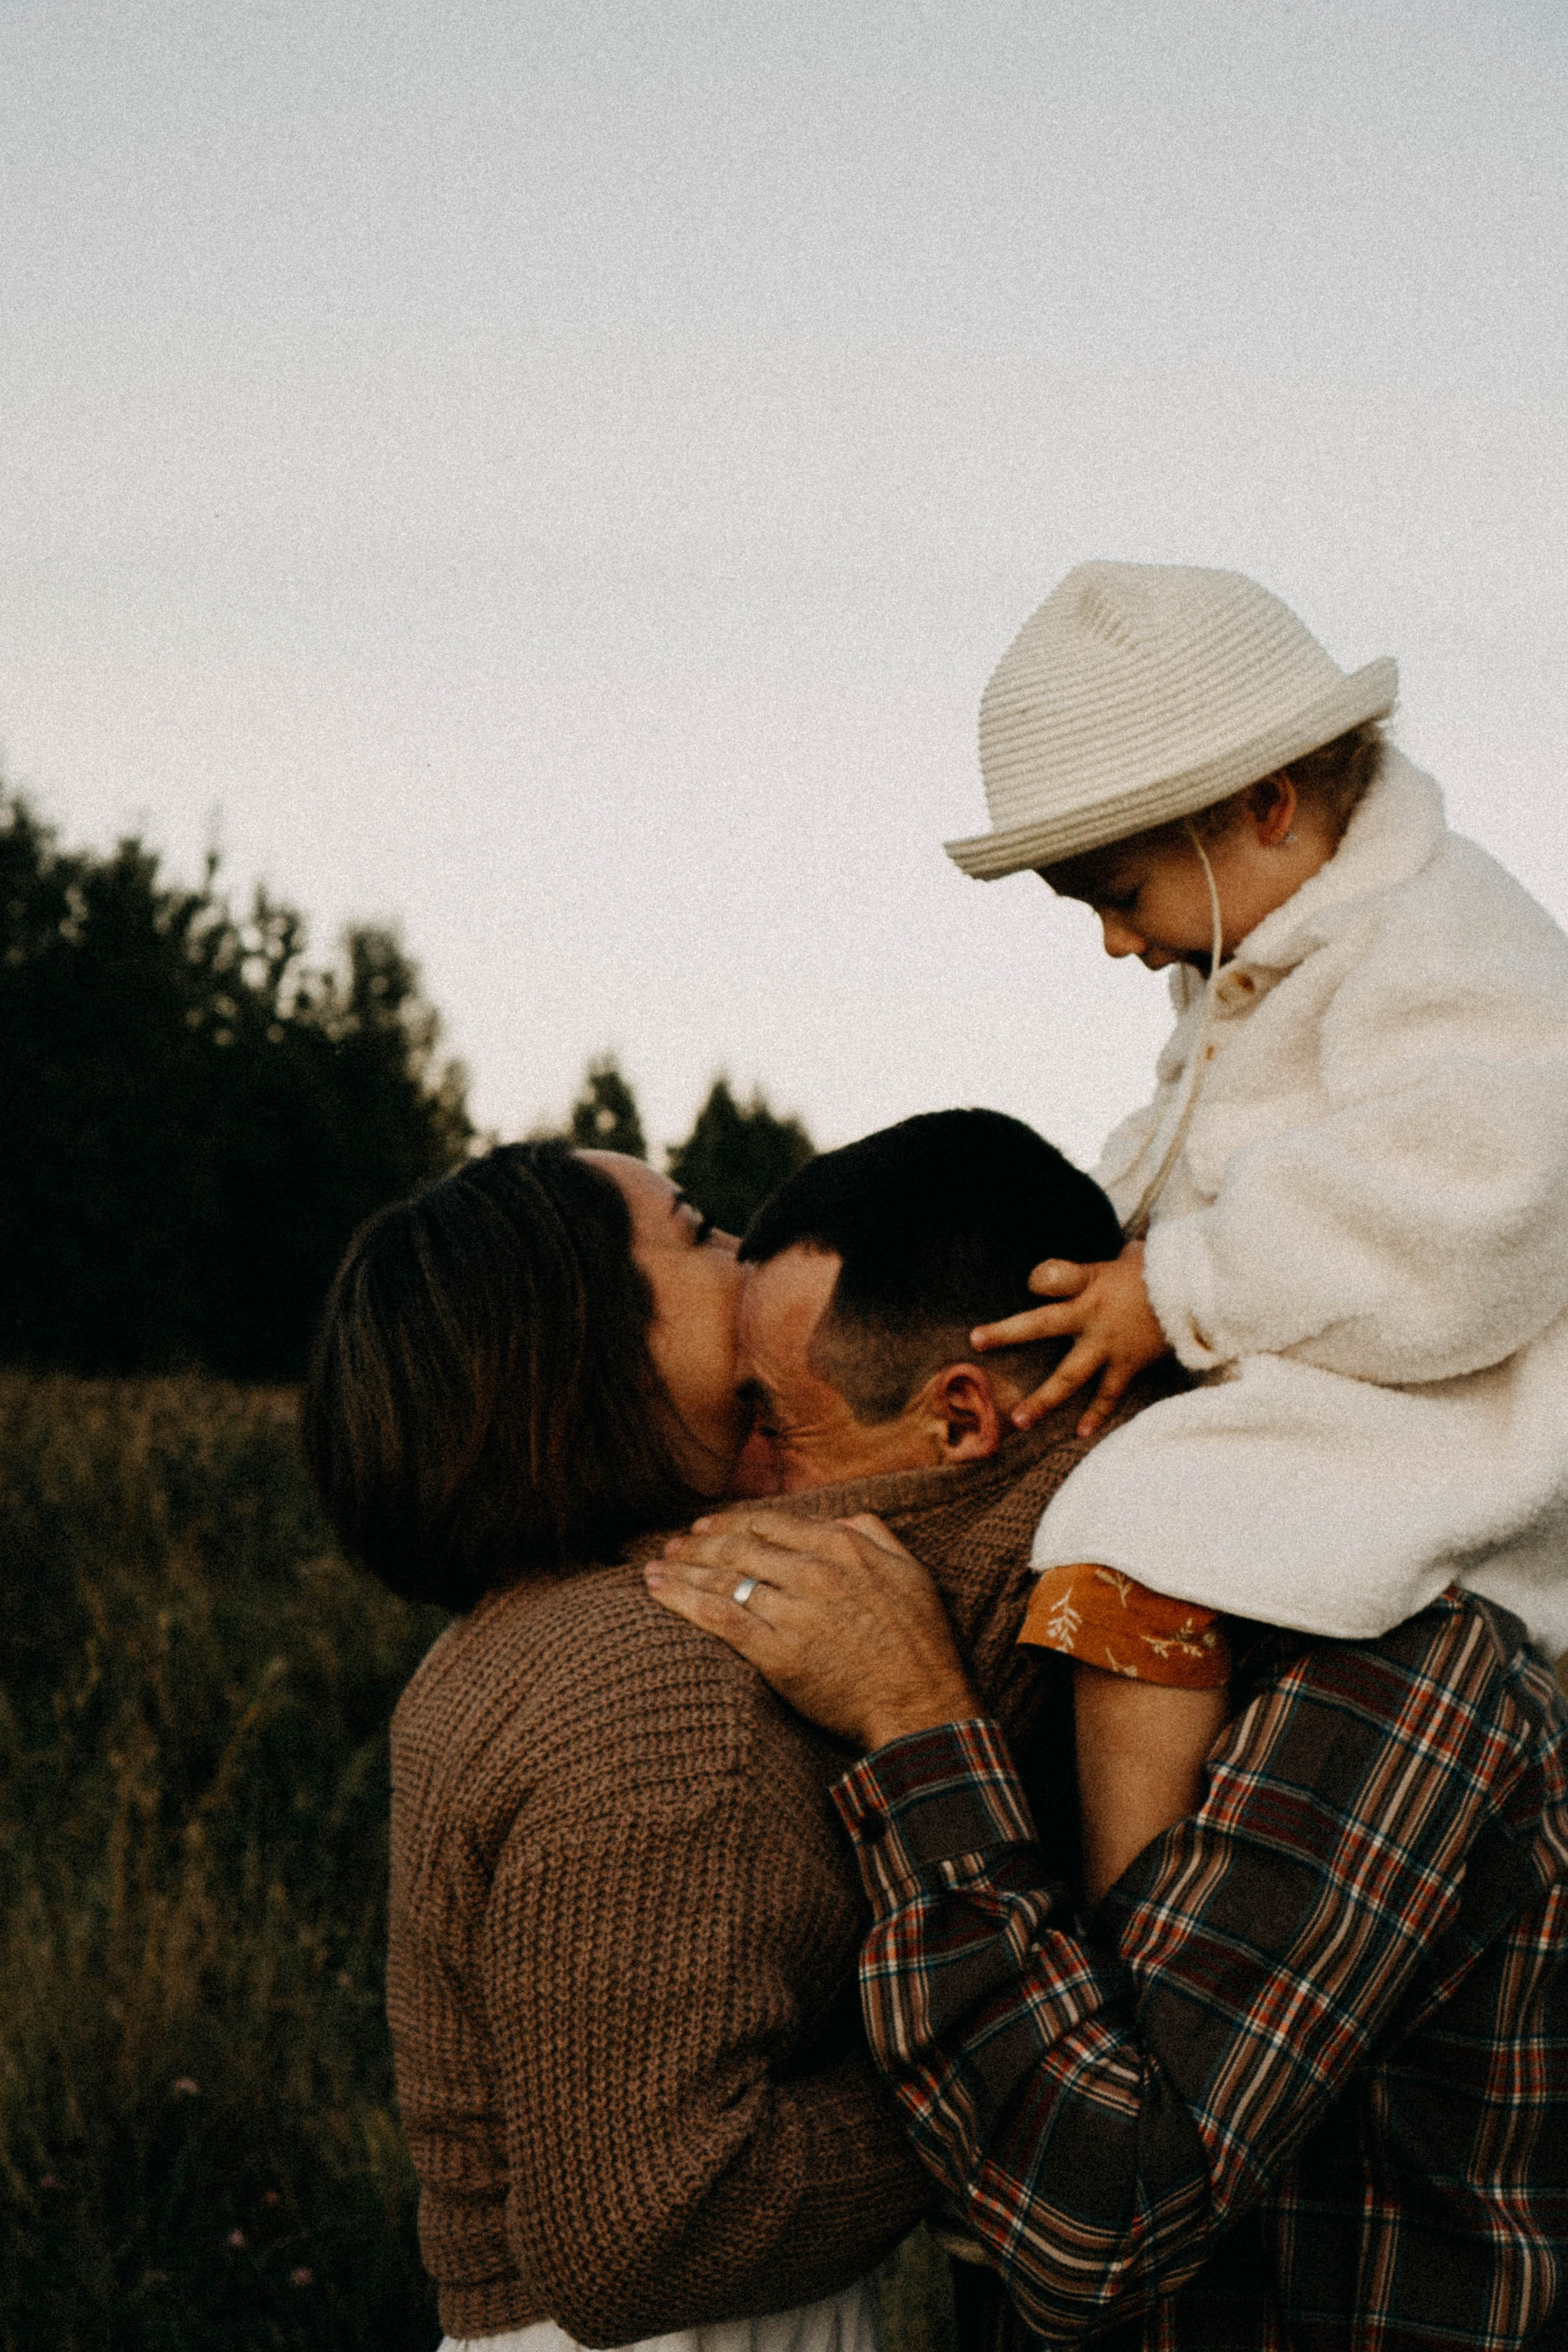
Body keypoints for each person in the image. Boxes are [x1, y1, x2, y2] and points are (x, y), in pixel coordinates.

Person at [300, 1114, 1169, 2350]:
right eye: (694, 1230)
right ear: (592, 1345)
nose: (740, 1241)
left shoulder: (528, 1634)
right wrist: (977, 2093)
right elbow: (647, 2235)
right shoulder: (662, 1684)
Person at [941, 560, 1568, 1891]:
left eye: (1117, 893)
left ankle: (1148, 1917)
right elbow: (1170, 1151)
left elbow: (1486, 1191)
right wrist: (1090, 1256)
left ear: (1266, 808)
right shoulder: (1261, 952)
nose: (1117, 945)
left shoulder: (1441, 937)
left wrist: (1180, 1286)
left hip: (1464, 1411)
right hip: (1355, 1385)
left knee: (1142, 1520)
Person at [646, 1506, 1568, 2349]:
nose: (764, 1502)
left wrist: (913, 1717)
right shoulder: (1081, 1629)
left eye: (777, 1419)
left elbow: (1097, 2223)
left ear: (966, 1413)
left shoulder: (1388, 1663)